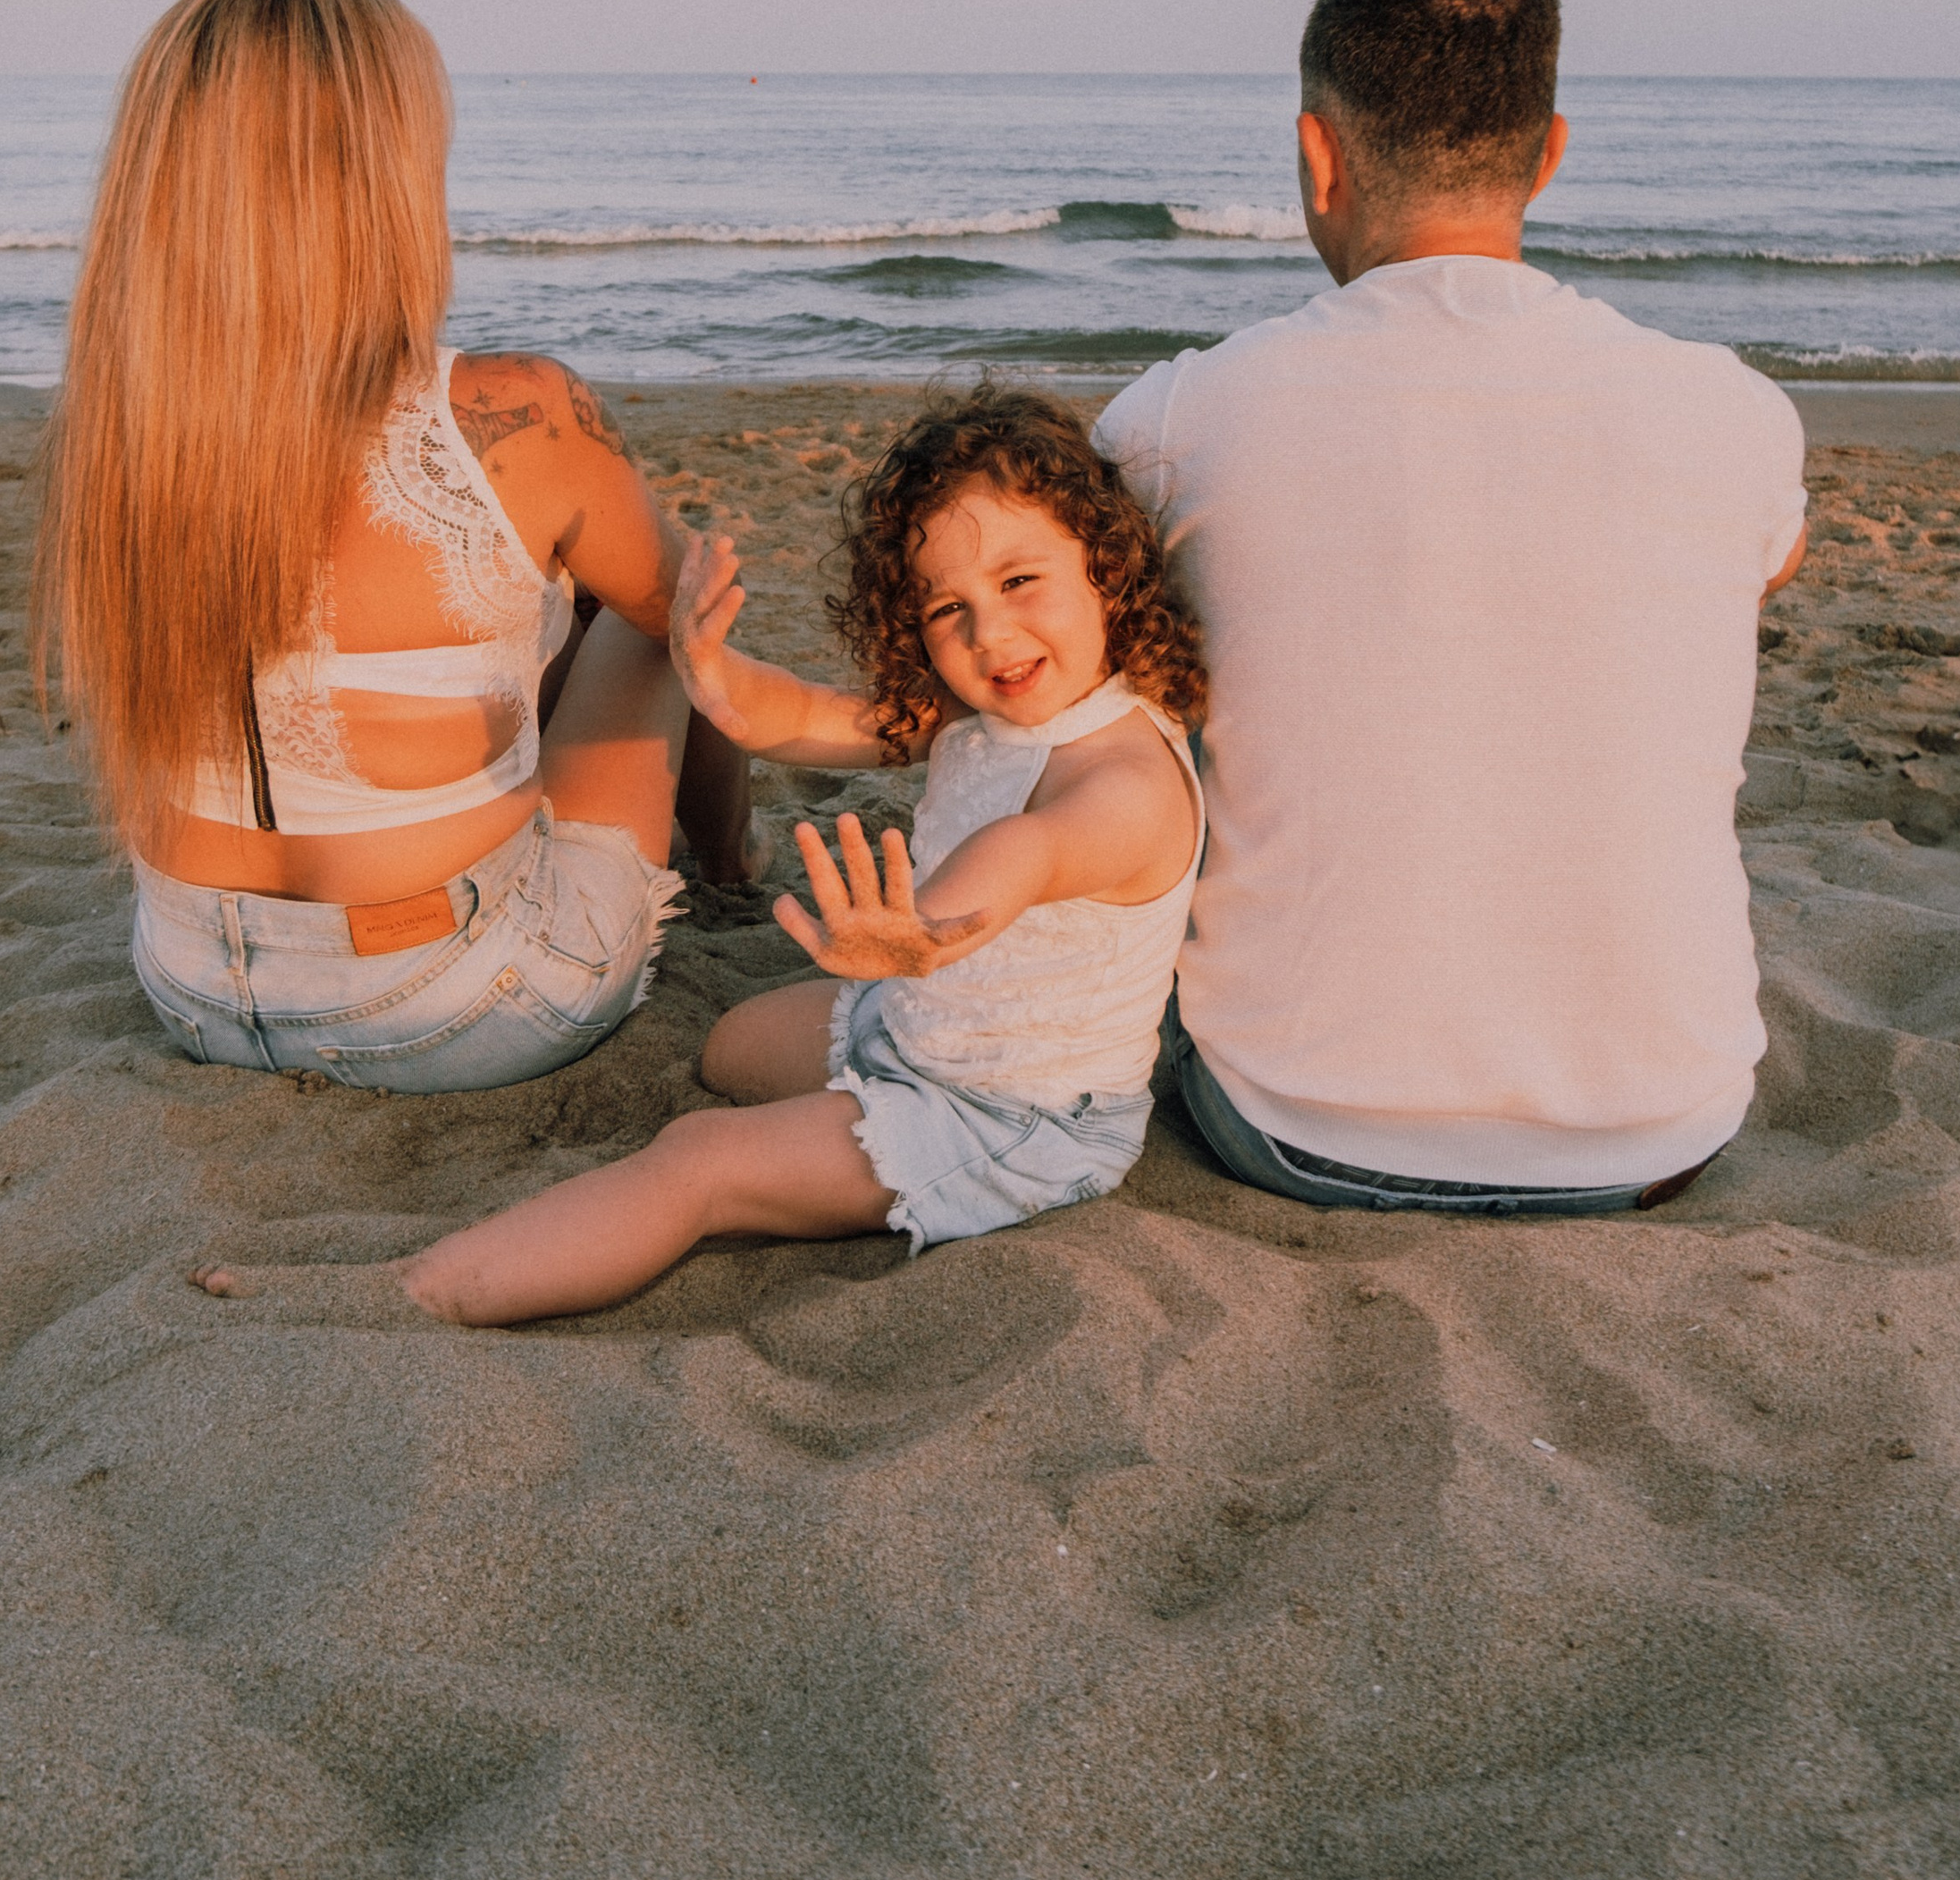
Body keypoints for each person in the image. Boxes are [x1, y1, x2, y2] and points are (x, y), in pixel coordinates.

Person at [199, 388, 1206, 1321]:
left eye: (1022, 580)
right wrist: (709, 673)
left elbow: (1029, 853)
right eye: (949, 609)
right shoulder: (983, 708)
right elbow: (808, 715)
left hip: (1010, 1117)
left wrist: (924, 932)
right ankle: (824, 1124)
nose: (991, 633)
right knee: (730, 1047)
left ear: (1105, 569)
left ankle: (420, 1293)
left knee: (697, 1160)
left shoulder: (1121, 781)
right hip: (916, 1021)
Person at [1095, 0, 1809, 1219]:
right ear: (1548, 156)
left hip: (1291, 1122)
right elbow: (1765, 565)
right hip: (1661, 1130)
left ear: (1319, 155)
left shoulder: (1176, 423)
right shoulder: (1736, 416)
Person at [33, 0, 752, 1092]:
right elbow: (689, 619)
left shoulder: (123, 432)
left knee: (514, 616)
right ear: (382, 173)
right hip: (448, 1001)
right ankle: (730, 866)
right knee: (659, 617)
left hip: (190, 985)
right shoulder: (513, 414)